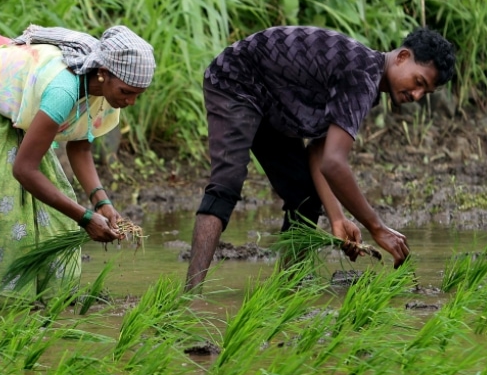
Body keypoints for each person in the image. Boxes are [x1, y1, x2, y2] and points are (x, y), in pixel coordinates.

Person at [185, 26, 456, 292]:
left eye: (426, 93)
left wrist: (337, 218)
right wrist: (377, 227)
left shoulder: (366, 81)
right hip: (235, 80)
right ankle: (191, 297)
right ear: (402, 57)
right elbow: (334, 163)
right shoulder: (362, 74)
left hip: (273, 103)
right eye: (418, 82)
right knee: (226, 184)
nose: (417, 95)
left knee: (305, 194)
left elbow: (319, 150)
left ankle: (285, 290)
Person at [0, 24, 155, 300]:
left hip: (17, 108)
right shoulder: (63, 91)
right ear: (102, 73)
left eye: (139, 94)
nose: (132, 101)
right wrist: (85, 218)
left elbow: (80, 150)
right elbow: (24, 169)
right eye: (127, 92)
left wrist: (103, 204)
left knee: (51, 213)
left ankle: (22, 305)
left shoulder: (105, 94)